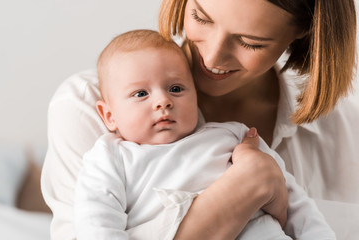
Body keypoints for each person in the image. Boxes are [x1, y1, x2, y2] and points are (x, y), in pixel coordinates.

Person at [41, 0, 359, 239]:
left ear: (303, 32)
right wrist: (240, 193)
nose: (211, 58)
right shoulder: (84, 109)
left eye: (251, 42)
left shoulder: (346, 132)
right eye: (201, 17)